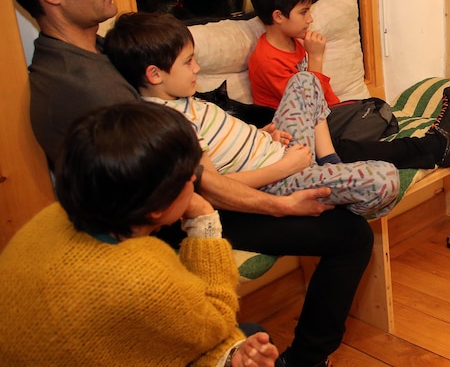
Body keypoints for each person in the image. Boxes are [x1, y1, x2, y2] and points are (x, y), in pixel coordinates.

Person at [2, 0, 361, 366]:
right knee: (349, 234)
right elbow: (198, 183)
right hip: (173, 213)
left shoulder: (100, 53)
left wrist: (261, 132)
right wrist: (282, 205)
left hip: (193, 189)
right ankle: (305, 360)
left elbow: (196, 122)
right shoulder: (80, 87)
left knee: (342, 173)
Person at [0, 102, 279, 366]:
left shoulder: (51, 217)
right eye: (187, 175)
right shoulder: (142, 276)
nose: (195, 178)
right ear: (156, 207)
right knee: (253, 334)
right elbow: (215, 322)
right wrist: (204, 219)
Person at [104, 11, 401, 218]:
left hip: (283, 150)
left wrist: (261, 134)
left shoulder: (183, 98)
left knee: (305, 80)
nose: (197, 68)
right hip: (275, 181)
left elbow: (222, 141)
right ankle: (332, 198)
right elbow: (216, 187)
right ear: (155, 74)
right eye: (188, 62)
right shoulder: (169, 125)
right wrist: (285, 167)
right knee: (386, 178)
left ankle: (329, 162)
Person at [248, 0, 450, 169]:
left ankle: (345, 149)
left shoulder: (296, 43)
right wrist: (315, 58)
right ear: (278, 16)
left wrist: (344, 113)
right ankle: (434, 146)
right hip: (298, 135)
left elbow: (326, 104)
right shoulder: (266, 60)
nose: (310, 19)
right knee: (376, 113)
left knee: (377, 111)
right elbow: (309, 107)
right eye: (303, 12)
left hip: (323, 123)